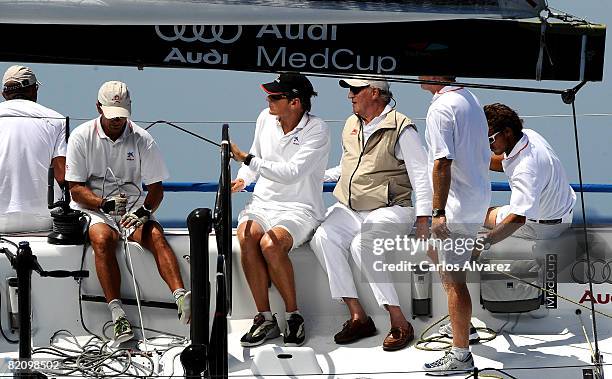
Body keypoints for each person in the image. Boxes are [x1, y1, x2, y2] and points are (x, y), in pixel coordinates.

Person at [310, 78, 432, 351]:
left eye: (355, 90)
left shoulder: (402, 127)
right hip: (350, 208)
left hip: (391, 209)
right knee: (322, 238)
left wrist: (424, 218)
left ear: (375, 93)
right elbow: (345, 168)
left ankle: (399, 321)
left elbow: (421, 176)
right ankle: (358, 315)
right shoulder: (351, 124)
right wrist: (310, 178)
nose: (349, 96)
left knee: (362, 244)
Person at [65, 81, 190, 343]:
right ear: (98, 107)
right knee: (102, 239)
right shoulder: (80, 136)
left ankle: (182, 298)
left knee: (155, 234)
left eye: (121, 116)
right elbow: (75, 189)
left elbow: (156, 189)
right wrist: (102, 204)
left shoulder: (143, 139)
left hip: (133, 206)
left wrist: (143, 212)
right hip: (96, 208)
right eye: (111, 115)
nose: (116, 121)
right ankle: (117, 313)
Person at [230, 73, 329, 348]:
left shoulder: (318, 130)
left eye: (275, 97)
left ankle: (293, 314)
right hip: (262, 203)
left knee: (271, 245)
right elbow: (254, 158)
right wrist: (242, 178)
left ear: (295, 102)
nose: (268, 100)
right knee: (246, 235)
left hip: (300, 208)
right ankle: (264, 317)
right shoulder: (265, 118)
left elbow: (291, 173)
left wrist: (247, 159)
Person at [419, 76, 491, 374]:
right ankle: (463, 328)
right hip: (475, 198)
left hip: (457, 207)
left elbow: (442, 162)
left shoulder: (440, 109)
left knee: (455, 281)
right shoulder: (468, 98)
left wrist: (438, 212)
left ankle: (461, 355)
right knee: (436, 256)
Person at [480, 103, 575, 246]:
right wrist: (473, 161)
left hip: (541, 228)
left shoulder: (525, 169)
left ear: (507, 132)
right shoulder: (530, 136)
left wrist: (484, 242)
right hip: (564, 215)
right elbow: (506, 162)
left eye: (490, 139)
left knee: (475, 215)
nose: (488, 145)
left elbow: (518, 218)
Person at [0, 65, 66, 233]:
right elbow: (62, 174)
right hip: (43, 219)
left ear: (4, 94)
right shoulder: (57, 120)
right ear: (33, 90)